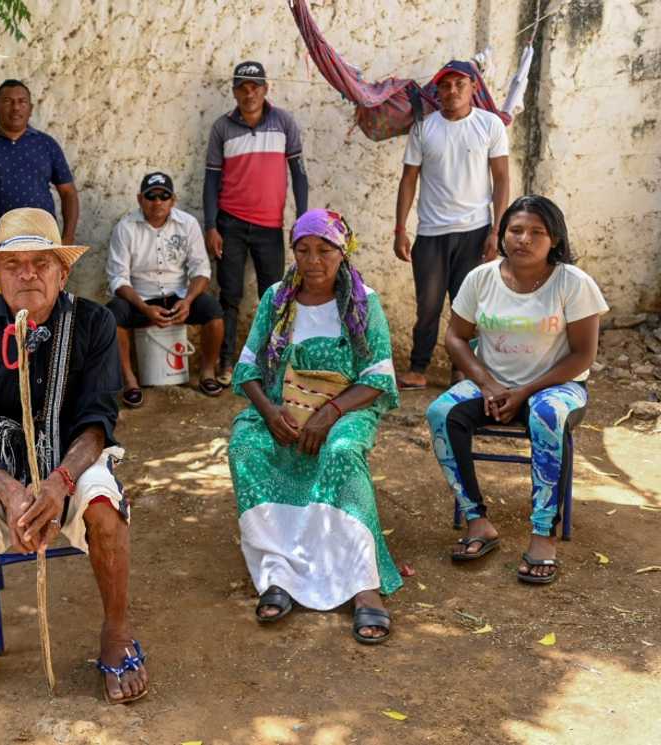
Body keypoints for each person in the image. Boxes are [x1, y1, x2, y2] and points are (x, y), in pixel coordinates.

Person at [0, 208, 147, 713]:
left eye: (40, 263)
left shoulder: (94, 323)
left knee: (104, 510)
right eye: (13, 263)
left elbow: (97, 422)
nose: (27, 273)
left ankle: (116, 633)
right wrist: (8, 489)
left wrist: (61, 481)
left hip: (71, 460)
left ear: (61, 272)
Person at [228, 209, 400, 644]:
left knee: (340, 452)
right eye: (303, 250)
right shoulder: (276, 299)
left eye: (325, 250)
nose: (313, 260)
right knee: (247, 447)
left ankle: (364, 585)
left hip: (346, 407)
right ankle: (277, 572)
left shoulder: (363, 303)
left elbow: (377, 377)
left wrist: (329, 413)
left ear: (343, 253)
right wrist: (269, 412)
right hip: (280, 405)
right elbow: (247, 368)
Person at [425, 195, 607, 584]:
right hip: (492, 385)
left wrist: (522, 392)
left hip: (556, 387)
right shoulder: (481, 278)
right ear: (503, 234)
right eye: (515, 230)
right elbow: (456, 338)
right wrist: (488, 384)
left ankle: (543, 534)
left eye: (536, 232)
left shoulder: (574, 283)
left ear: (554, 239)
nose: (523, 239)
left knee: (546, 414)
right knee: (441, 412)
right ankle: (477, 522)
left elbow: (582, 355)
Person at [393, 60, 511, 390]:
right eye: (445, 85)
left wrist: (496, 231)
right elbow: (408, 180)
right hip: (431, 232)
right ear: (438, 91)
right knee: (428, 305)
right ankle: (418, 368)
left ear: (474, 87)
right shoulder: (423, 128)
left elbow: (501, 179)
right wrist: (400, 229)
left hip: (475, 231)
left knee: (467, 305)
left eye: (460, 83)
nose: (452, 90)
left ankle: (461, 371)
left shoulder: (490, 126)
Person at [204, 60, 309, 384]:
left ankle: (270, 364)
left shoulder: (284, 123)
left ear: (265, 89)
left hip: (269, 226)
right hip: (230, 223)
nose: (249, 93)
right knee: (229, 295)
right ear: (235, 91)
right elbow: (210, 180)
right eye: (243, 87)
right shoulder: (222, 127)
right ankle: (227, 363)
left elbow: (300, 176)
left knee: (274, 295)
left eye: (255, 87)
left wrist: (302, 221)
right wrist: (211, 226)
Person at [105, 171, 225, 406]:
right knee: (111, 316)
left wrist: (189, 300)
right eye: (151, 196)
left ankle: (208, 372)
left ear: (173, 199)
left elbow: (201, 270)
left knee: (214, 312)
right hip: (140, 299)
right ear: (140, 199)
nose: (157, 202)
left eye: (164, 196)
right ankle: (130, 381)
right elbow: (118, 278)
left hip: (179, 297)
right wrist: (143, 307)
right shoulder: (125, 228)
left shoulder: (187, 224)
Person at [0, 79, 78, 244]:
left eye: (22, 102)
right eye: (7, 101)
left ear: (31, 109)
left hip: (43, 243)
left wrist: (68, 237)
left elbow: (68, 192)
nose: (16, 107)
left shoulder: (46, 144)